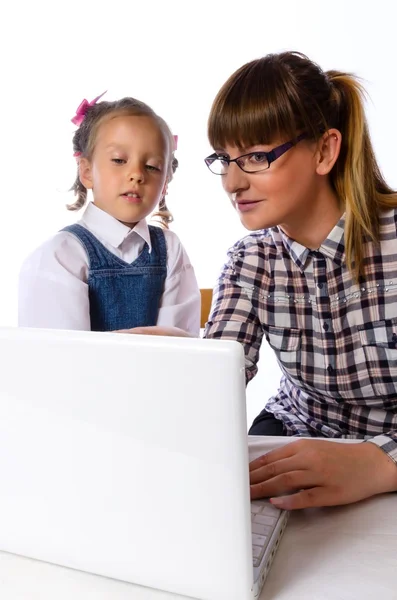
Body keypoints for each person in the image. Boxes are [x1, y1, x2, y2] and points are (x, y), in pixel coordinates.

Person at [130, 51, 397, 510]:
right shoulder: (250, 258)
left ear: (325, 150)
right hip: (295, 430)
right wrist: (183, 365)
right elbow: (220, 380)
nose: (232, 182)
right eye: (225, 159)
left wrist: (381, 463)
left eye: (254, 156)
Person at [18, 93, 200, 335]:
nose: (136, 174)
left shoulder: (171, 250)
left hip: (158, 373)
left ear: (165, 181)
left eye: (152, 166)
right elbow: (61, 356)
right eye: (118, 160)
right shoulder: (61, 255)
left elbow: (181, 347)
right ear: (86, 172)